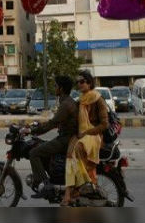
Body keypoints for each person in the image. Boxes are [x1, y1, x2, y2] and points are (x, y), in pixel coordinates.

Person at [26, 76, 78, 199]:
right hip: (68, 138)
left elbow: (52, 124)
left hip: (66, 140)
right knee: (41, 145)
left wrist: (33, 131)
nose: (54, 88)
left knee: (34, 152)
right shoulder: (68, 101)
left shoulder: (66, 104)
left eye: (56, 86)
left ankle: (47, 186)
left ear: (61, 88)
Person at [62, 70, 108, 206]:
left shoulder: (98, 99)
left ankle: (79, 186)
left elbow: (104, 124)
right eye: (77, 82)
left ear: (89, 82)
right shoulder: (81, 100)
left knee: (77, 149)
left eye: (82, 81)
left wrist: (88, 132)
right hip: (82, 134)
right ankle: (70, 191)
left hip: (94, 136)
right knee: (69, 153)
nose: (79, 84)